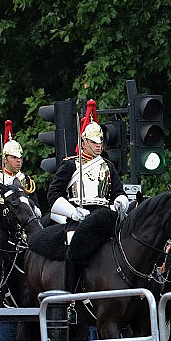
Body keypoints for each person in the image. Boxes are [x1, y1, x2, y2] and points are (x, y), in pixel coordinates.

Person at [47, 100, 129, 296]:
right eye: (94, 142)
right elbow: (53, 194)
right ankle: (72, 296)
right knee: (74, 248)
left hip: (103, 216)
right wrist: (73, 212)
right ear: (83, 142)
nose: (98, 145)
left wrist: (121, 201)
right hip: (79, 218)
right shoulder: (70, 165)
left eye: (100, 142)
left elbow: (118, 191)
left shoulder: (108, 166)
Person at [0, 120, 40, 212]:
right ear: (5, 159)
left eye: (20, 158)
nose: (18, 161)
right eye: (14, 157)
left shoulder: (26, 179)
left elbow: (35, 205)